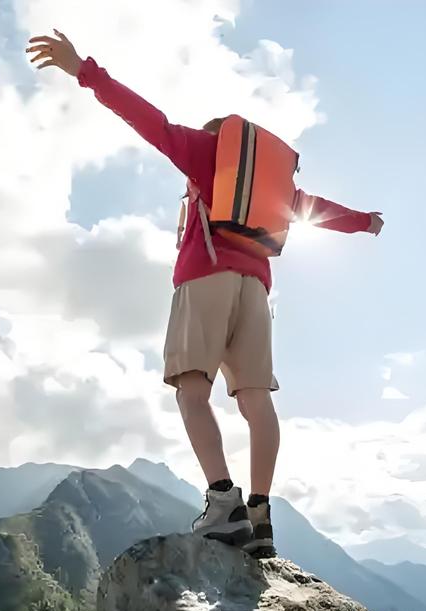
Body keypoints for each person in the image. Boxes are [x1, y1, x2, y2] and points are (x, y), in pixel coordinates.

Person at [28, 30, 383, 558]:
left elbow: (150, 122)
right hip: (256, 290)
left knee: (191, 390)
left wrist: (87, 71)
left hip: (206, 276)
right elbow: (320, 210)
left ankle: (223, 504)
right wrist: (366, 222)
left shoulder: (207, 153)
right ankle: (260, 514)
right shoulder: (274, 191)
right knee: (257, 401)